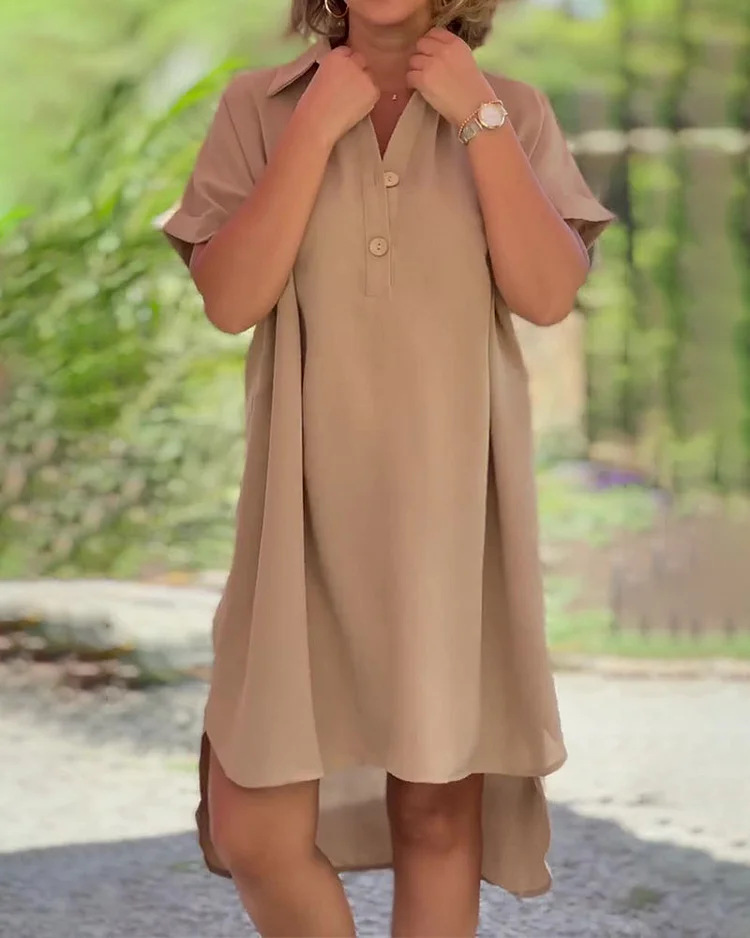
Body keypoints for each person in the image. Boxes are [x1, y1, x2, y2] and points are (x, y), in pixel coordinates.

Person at [162, 0, 615, 934]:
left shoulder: (513, 109)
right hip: (296, 516)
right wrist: (315, 126)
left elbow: (545, 294)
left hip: (449, 517)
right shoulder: (259, 106)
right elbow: (232, 300)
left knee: (438, 813)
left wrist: (477, 114)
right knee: (254, 829)